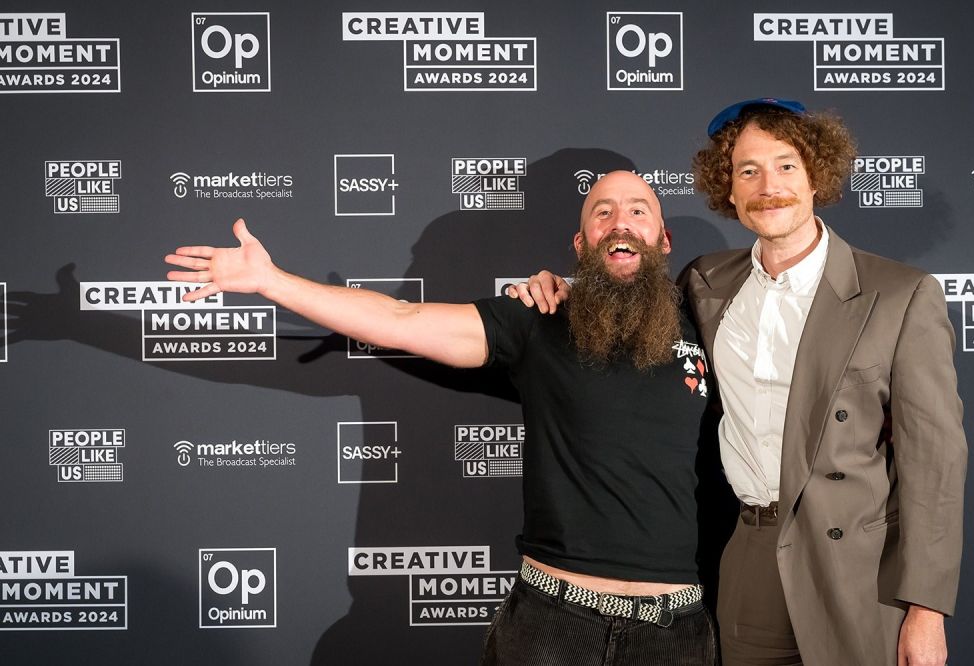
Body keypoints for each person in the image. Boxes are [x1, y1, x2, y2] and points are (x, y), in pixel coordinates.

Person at [165, 171, 720, 665]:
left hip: (676, 631)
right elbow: (401, 318)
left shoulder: (712, 325)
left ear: (663, 240)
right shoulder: (538, 319)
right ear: (581, 244)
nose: (620, 222)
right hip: (555, 623)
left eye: (638, 211)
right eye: (603, 212)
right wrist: (272, 281)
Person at [518, 99, 967, 666]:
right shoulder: (706, 283)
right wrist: (560, 289)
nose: (768, 186)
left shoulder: (901, 294)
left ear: (816, 176)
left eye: (786, 166)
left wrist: (926, 610)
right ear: (727, 190)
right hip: (749, 555)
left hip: (860, 571)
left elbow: (935, 462)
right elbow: (627, 302)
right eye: (747, 170)